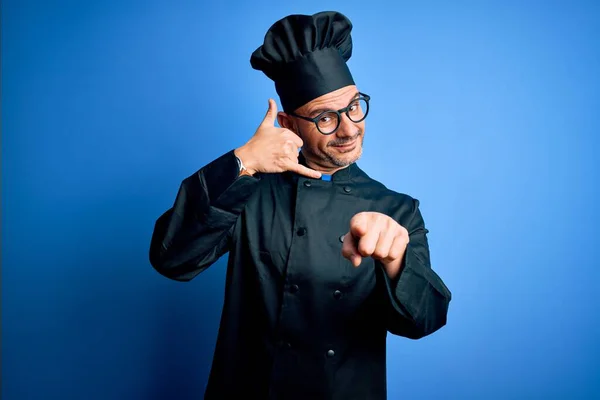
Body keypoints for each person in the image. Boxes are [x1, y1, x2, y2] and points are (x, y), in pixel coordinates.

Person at [149, 10, 452, 400]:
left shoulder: (396, 210)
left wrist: (396, 262)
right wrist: (241, 163)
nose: (348, 128)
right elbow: (171, 259)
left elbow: (425, 320)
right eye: (325, 117)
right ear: (289, 125)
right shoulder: (250, 191)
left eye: (354, 106)